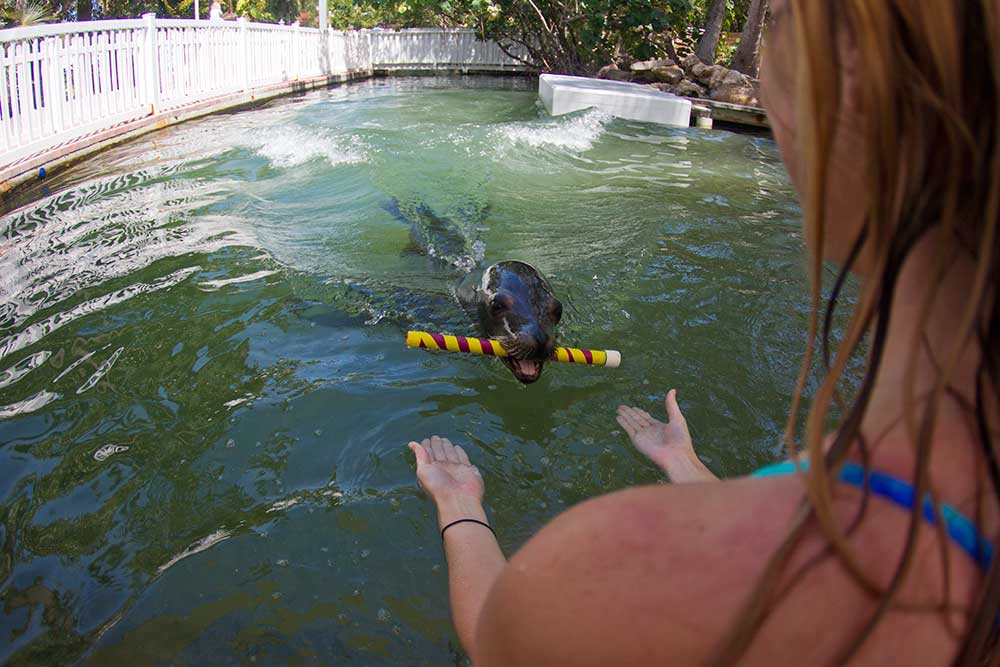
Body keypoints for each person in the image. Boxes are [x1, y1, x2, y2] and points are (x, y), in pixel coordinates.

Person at [408, 0, 999, 664]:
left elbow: (496, 635)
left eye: (780, 19)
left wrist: (459, 504)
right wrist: (687, 468)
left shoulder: (606, 558)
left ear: (853, 86)